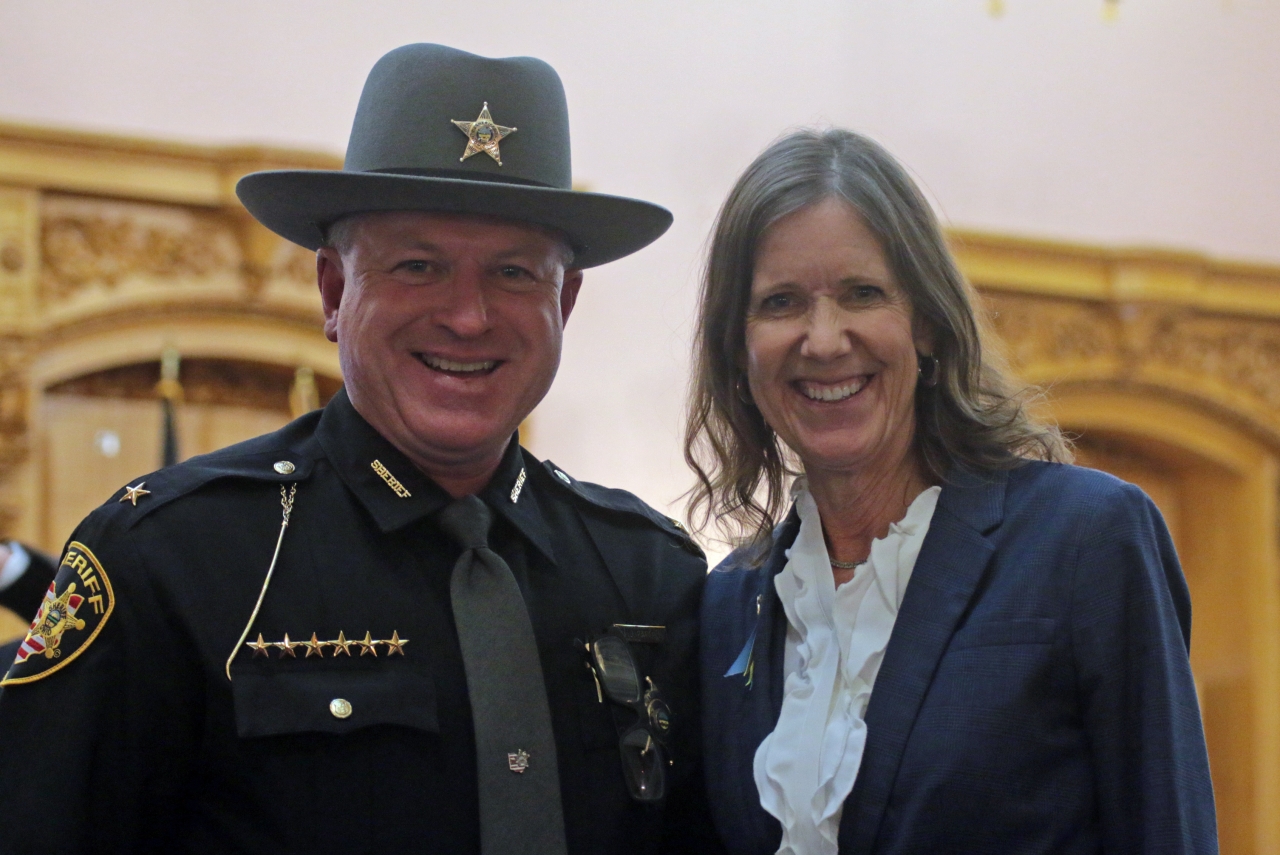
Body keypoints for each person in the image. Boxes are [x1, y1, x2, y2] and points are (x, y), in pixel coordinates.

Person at [0, 44, 721, 855]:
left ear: (568, 300)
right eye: (418, 265)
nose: (469, 316)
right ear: (335, 292)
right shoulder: (168, 559)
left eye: (515, 274)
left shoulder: (651, 575)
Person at [687, 128, 1217, 854]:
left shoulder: (1086, 539)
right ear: (737, 350)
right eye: (780, 302)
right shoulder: (729, 603)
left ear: (927, 322)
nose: (823, 338)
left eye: (862, 293)